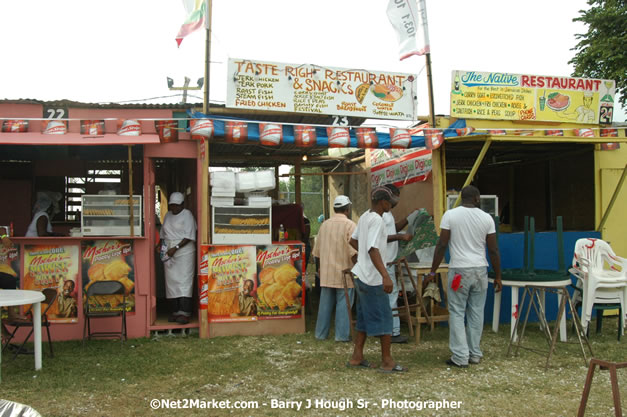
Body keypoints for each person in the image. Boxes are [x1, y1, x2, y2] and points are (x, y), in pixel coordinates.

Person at [429, 185, 502, 368]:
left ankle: (460, 356)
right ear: (477, 198)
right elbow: (493, 250)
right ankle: (474, 353)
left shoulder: (450, 215)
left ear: (461, 198)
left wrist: (432, 271)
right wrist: (498, 276)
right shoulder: (487, 218)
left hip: (459, 272)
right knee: (476, 312)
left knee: (457, 312)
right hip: (480, 271)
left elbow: (442, 245)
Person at [347, 187, 407, 372]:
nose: (392, 206)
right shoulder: (378, 220)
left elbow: (353, 240)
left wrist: (362, 256)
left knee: (364, 318)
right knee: (385, 318)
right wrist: (385, 275)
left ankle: (357, 357)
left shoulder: (365, 216)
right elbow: (373, 249)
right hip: (372, 278)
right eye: (391, 203)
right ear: (383, 202)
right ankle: (387, 361)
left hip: (360, 274)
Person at [312, 195, 357, 342]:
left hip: (326, 272)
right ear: (348, 209)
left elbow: (316, 252)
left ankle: (320, 334)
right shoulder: (350, 225)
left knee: (324, 306)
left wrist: (319, 269)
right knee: (344, 305)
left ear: (334, 209)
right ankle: (341, 336)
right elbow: (354, 251)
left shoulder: (324, 225)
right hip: (344, 273)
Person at [157, 192, 197, 325]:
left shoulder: (187, 215)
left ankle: (185, 312)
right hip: (169, 252)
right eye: (172, 206)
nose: (174, 208)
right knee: (171, 283)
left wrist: (176, 247)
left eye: (177, 206)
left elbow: (189, 235)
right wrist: (160, 245)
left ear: (182, 205)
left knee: (184, 282)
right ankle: (175, 311)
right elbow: (163, 233)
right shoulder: (168, 215)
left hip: (184, 253)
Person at [382, 184, 414, 344]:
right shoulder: (382, 215)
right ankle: (393, 332)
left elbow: (391, 230)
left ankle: (385, 330)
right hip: (385, 262)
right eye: (396, 196)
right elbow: (382, 237)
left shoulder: (386, 214)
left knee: (387, 297)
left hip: (387, 262)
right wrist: (401, 238)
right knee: (391, 296)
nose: (398, 201)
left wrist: (409, 219)